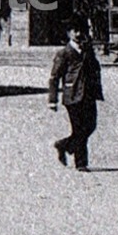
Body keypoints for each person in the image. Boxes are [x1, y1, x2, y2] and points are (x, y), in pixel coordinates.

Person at [49, 20, 104, 172]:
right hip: (72, 96)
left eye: (81, 30)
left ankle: (63, 145)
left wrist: (97, 88)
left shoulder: (88, 50)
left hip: (88, 94)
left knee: (91, 126)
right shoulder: (63, 53)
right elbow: (54, 77)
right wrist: (52, 100)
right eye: (75, 31)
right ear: (69, 33)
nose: (79, 34)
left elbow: (95, 69)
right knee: (79, 129)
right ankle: (81, 163)